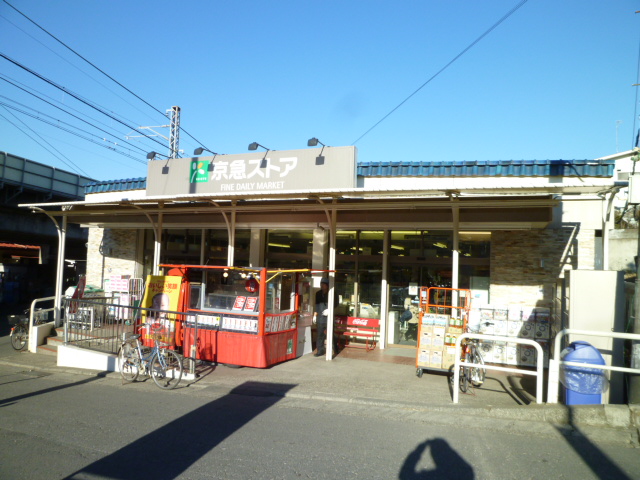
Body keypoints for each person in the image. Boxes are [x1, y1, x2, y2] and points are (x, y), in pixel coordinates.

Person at [313, 277, 339, 357]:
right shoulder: (318, 294)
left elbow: (336, 303)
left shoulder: (333, 293)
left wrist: (330, 310)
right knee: (320, 335)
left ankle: (335, 349)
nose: (322, 286)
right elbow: (316, 305)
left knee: (332, 334)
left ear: (327, 285)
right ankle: (320, 350)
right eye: (321, 284)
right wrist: (315, 315)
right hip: (321, 317)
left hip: (329, 317)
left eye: (324, 284)